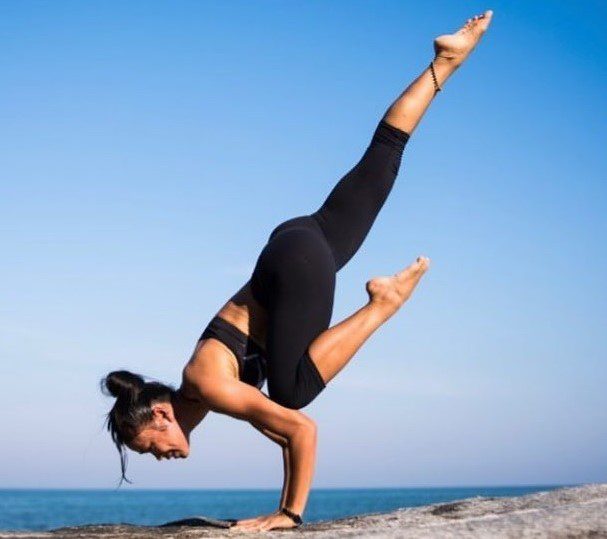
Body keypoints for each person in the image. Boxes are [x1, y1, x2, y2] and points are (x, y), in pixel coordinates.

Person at [100, 11, 493, 533]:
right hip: (296, 244)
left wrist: (287, 514)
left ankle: (382, 303)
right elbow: (280, 433)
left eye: (147, 448)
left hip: (296, 267)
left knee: (292, 393)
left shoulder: (207, 385)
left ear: (160, 417)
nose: (157, 457)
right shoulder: (205, 392)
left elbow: (300, 429)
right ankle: (446, 61)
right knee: (382, 159)